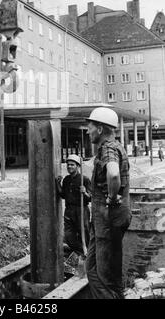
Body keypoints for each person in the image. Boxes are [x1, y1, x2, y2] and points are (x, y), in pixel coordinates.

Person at [85, 107, 132, 299]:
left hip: (107, 219)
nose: (88, 131)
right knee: (93, 269)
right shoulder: (112, 147)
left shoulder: (108, 148)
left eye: (90, 127)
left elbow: (113, 174)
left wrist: (111, 198)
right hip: (103, 220)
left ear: (101, 129)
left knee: (106, 276)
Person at [56, 154, 91, 257]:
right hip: (69, 210)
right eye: (68, 165)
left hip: (81, 211)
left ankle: (88, 256)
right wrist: (58, 184)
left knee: (84, 235)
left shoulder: (84, 179)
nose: (69, 167)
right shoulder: (66, 180)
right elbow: (63, 195)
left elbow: (91, 198)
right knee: (69, 237)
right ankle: (82, 253)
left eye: (72, 165)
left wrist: (84, 192)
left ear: (78, 166)